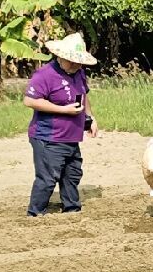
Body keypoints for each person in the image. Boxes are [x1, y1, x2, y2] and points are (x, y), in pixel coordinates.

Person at [24, 33, 99, 217]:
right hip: (48, 136)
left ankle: (71, 208)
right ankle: (35, 213)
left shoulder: (79, 72)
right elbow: (30, 100)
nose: (76, 65)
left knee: (72, 174)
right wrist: (63, 110)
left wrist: (90, 118)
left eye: (78, 62)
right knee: (48, 179)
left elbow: (84, 95)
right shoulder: (45, 75)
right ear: (61, 57)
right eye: (71, 61)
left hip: (71, 136)